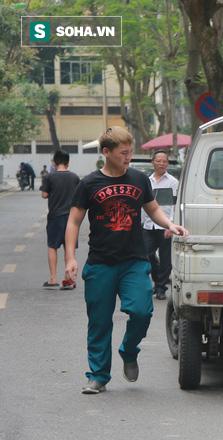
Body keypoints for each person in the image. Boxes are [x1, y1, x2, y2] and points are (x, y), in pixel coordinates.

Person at [64, 126, 188, 395]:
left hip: (134, 261)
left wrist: (171, 224)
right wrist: (71, 258)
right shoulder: (89, 184)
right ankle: (98, 375)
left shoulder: (138, 179)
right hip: (100, 263)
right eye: (123, 153)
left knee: (143, 311)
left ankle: (129, 350)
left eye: (131, 151)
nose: (128, 157)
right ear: (106, 152)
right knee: (99, 322)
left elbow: (153, 209)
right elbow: (74, 221)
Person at [39, 150, 80, 290]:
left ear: (54, 163)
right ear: (68, 163)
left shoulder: (49, 177)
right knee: (69, 248)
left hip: (55, 216)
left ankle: (53, 278)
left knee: (52, 246)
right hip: (72, 218)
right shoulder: (74, 177)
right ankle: (69, 279)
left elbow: (44, 194)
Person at [141, 150, 178, 300]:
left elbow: (174, 205)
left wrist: (171, 225)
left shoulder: (173, 182)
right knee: (147, 254)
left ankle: (161, 288)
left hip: (165, 226)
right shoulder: (146, 181)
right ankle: (156, 281)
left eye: (164, 161)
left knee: (166, 258)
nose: (161, 163)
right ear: (153, 162)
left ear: (167, 163)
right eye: (158, 161)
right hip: (148, 225)